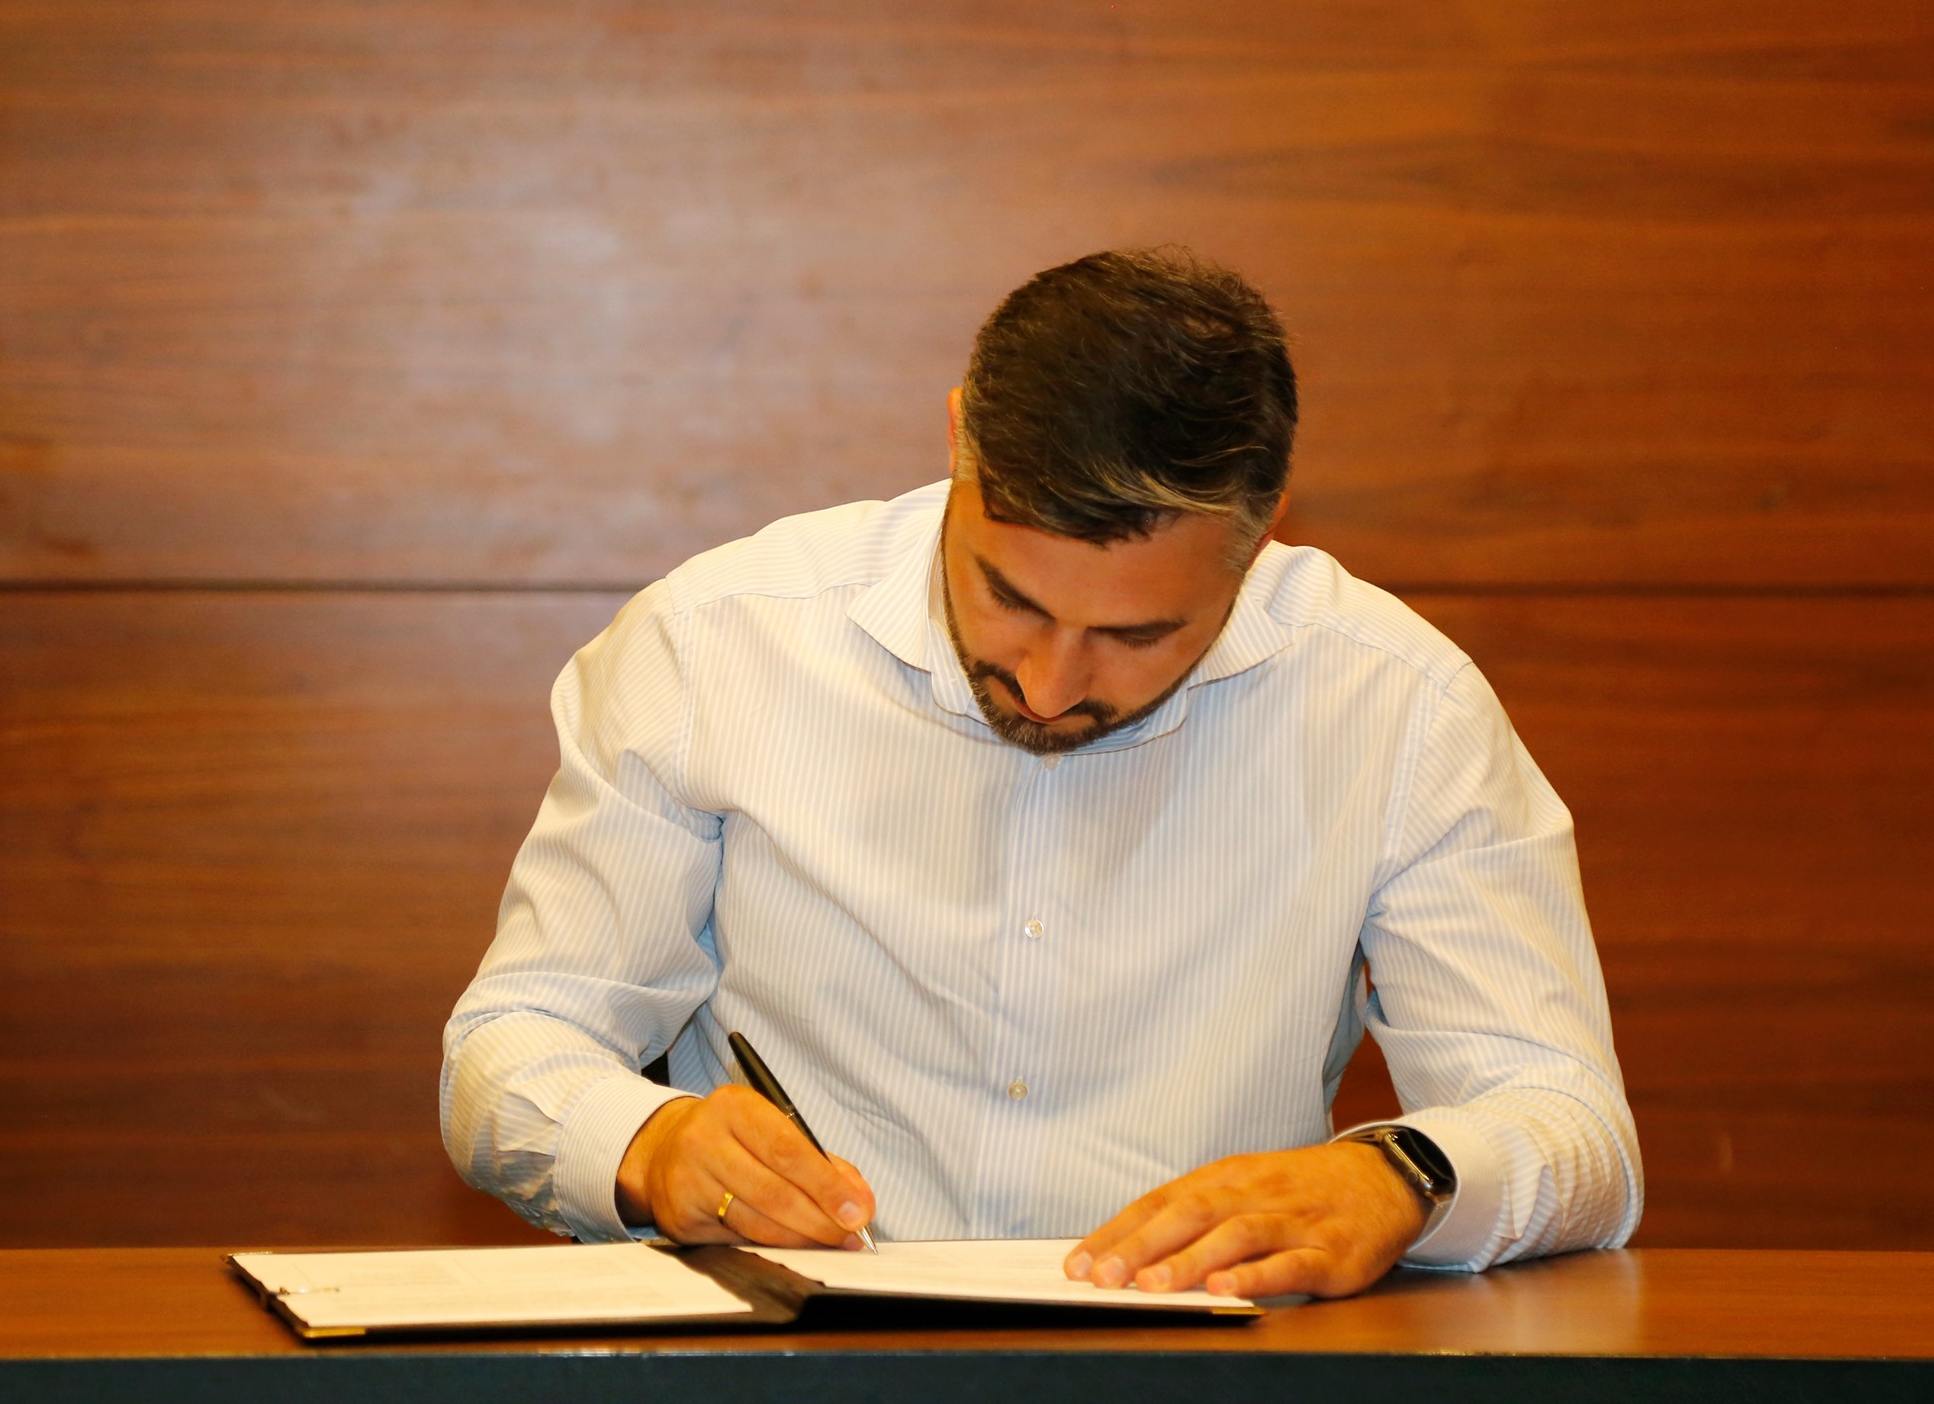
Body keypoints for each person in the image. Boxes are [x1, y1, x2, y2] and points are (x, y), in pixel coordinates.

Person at [441, 247, 1641, 1299]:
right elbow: (515, 1044)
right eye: (1008, 598)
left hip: (1202, 1375)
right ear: (956, 440)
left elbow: (1571, 1124)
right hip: (794, 1372)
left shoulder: (1397, 703)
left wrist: (1401, 1175)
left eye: (1138, 634)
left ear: (1262, 529)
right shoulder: (715, 643)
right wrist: (648, 1145)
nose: (1051, 685)